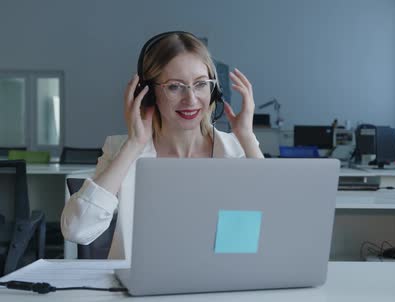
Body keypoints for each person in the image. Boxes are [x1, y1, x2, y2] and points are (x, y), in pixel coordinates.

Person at [61, 31, 264, 260]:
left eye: (200, 84)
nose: (191, 99)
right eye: (175, 86)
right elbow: (78, 230)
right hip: (139, 291)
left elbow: (277, 227)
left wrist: (246, 137)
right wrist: (134, 144)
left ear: (214, 90)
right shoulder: (122, 150)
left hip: (222, 285)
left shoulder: (238, 150)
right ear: (148, 94)